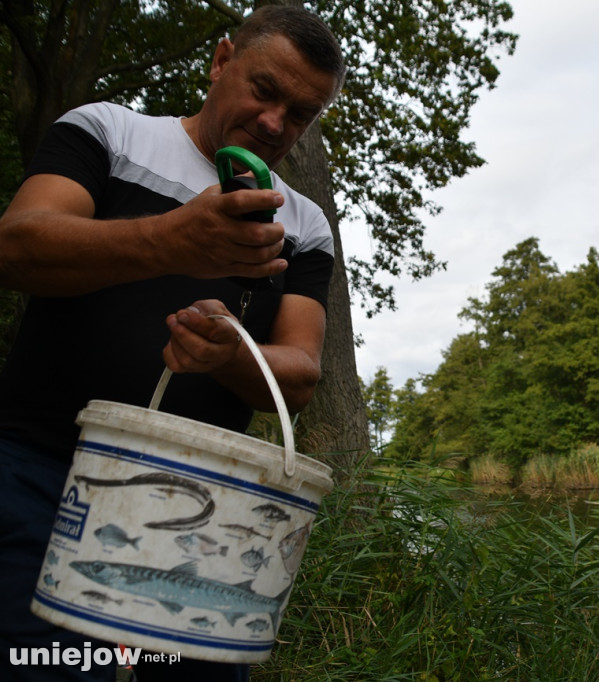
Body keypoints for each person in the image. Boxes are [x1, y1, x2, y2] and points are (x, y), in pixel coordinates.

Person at [0, 6, 346, 681]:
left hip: (216, 508)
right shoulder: (108, 131)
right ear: (221, 61)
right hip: (42, 470)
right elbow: (17, 245)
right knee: (44, 668)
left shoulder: (303, 224)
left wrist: (232, 353)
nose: (276, 123)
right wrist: (168, 240)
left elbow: (299, 378)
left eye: (301, 113)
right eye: (264, 90)